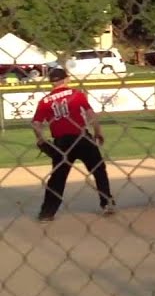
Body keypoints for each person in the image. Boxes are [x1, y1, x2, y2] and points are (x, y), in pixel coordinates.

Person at [31, 67, 116, 221]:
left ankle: (47, 213)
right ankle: (107, 203)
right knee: (98, 169)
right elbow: (90, 114)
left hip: (61, 143)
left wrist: (40, 139)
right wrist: (98, 132)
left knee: (57, 178)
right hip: (81, 138)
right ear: (66, 79)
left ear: (51, 82)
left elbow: (36, 124)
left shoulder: (44, 101)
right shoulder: (76, 94)